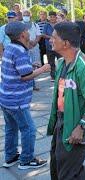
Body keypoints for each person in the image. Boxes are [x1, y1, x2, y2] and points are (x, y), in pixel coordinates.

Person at [47, 22, 85, 179]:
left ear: (65, 43)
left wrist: (81, 127)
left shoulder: (83, 65)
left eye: (53, 37)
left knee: (67, 173)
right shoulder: (62, 62)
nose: (50, 40)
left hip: (76, 126)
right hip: (62, 122)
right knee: (57, 165)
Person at [1, 21, 50, 170]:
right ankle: (27, 160)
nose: (29, 33)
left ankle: (10, 157)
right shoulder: (20, 51)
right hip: (17, 100)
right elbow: (26, 76)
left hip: (6, 98)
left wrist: (31, 65)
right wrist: (42, 69)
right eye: (27, 31)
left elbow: (18, 69)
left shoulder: (11, 47)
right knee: (29, 129)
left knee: (11, 128)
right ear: (22, 34)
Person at [22, 10, 42, 91]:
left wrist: (34, 42)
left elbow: (39, 35)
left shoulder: (35, 25)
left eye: (27, 15)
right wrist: (29, 42)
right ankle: (28, 85)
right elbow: (21, 35)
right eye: (24, 15)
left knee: (34, 66)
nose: (26, 16)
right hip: (25, 47)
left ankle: (33, 84)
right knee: (27, 66)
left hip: (35, 47)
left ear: (30, 16)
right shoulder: (20, 25)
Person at [43, 11, 60, 81]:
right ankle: (53, 76)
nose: (52, 18)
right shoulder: (46, 25)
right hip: (49, 47)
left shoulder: (59, 25)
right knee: (51, 62)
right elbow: (43, 34)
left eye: (54, 17)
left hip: (59, 46)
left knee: (60, 61)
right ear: (49, 18)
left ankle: (60, 75)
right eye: (51, 17)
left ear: (56, 17)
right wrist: (51, 37)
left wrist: (55, 38)